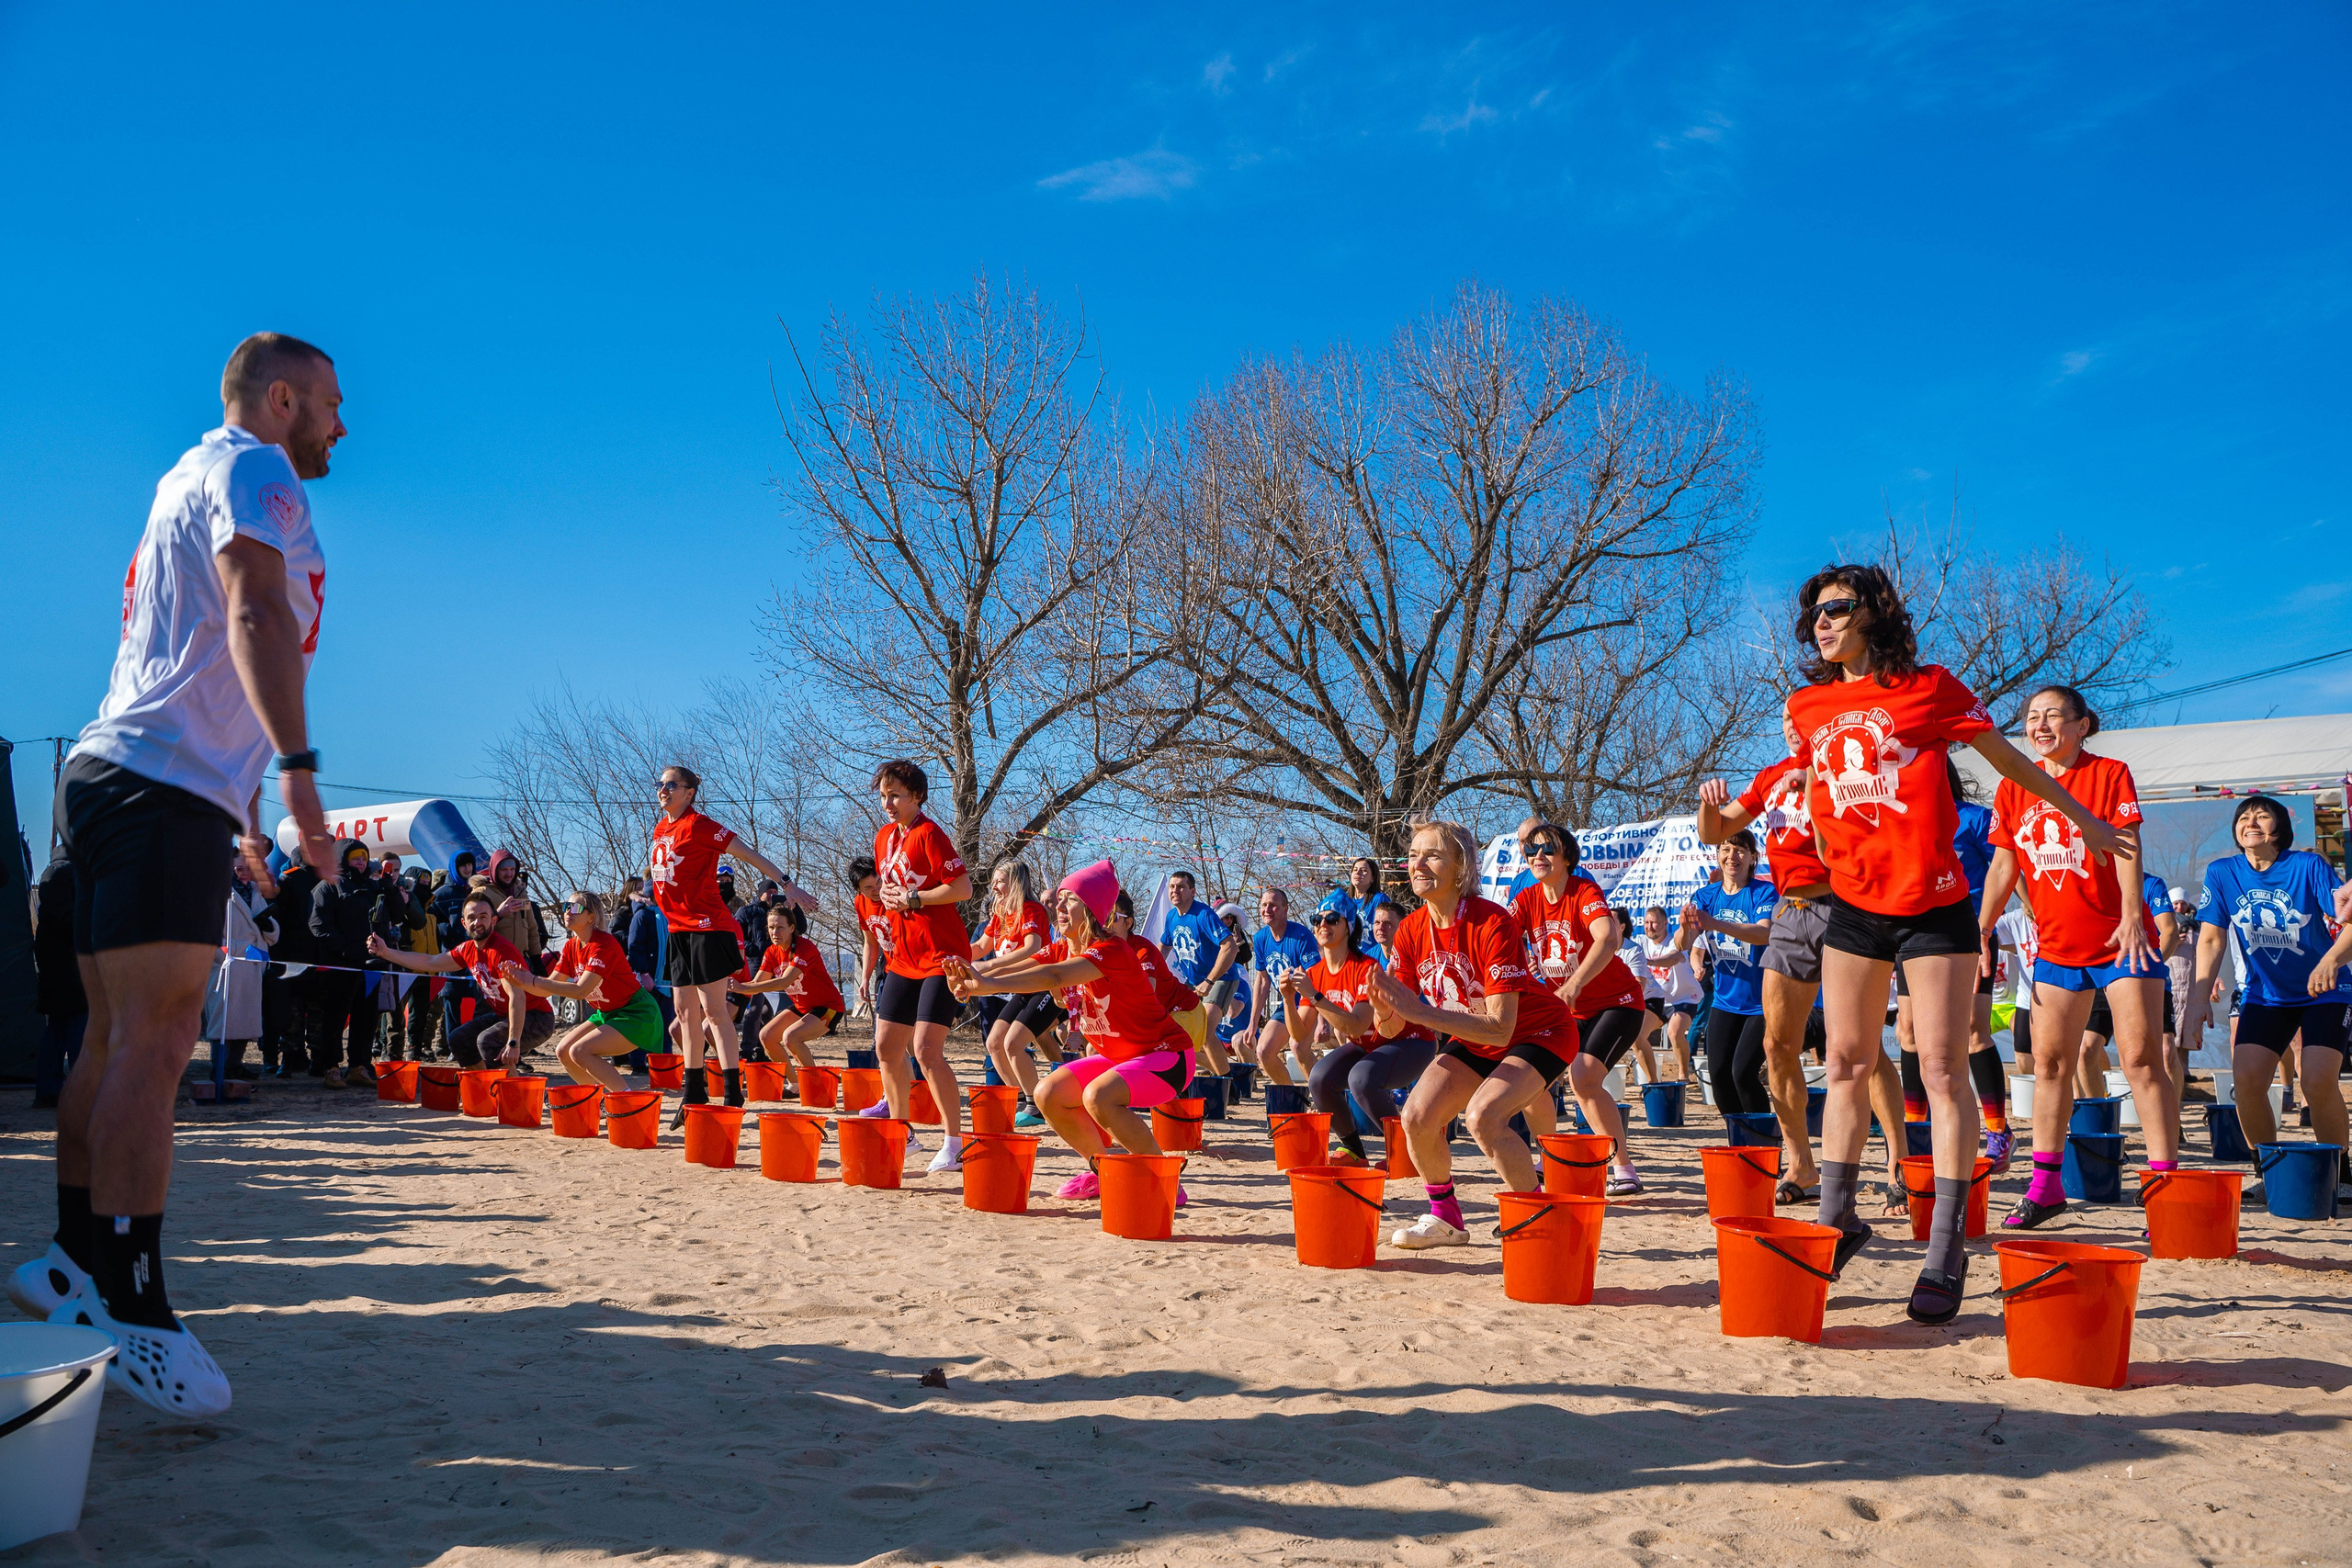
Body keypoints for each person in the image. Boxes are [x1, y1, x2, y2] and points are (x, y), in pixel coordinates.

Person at [19, 333, 341, 1417]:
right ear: (283, 399)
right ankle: (133, 1299)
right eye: (333, 403)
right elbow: (255, 611)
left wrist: (243, 806)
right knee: (158, 1045)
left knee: (112, 1040)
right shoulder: (257, 467)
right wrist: (296, 775)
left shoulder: (183, 474)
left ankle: (70, 1259)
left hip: (116, 771)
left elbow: (191, 650)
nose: (343, 425)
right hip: (161, 787)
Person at [1788, 566, 2123, 1325]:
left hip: (1934, 908)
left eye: (1837, 608)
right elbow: (1809, 790)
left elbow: (2008, 761)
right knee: (1843, 1061)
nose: (1822, 621)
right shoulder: (1807, 705)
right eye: (1814, 612)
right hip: (1852, 908)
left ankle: (1945, 1246)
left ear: (1875, 614)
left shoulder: (1930, 686)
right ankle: (1836, 1220)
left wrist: (2084, 819)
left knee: (1940, 1068)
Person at [1978, 684, 2178, 1230]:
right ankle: (2045, 1188)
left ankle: (2165, 1185)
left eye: (2054, 716)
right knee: (2049, 1065)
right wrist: (1983, 927)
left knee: (2140, 1060)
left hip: (2121, 943)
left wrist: (2133, 916)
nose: (2041, 726)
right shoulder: (2013, 787)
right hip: (2056, 949)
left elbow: (2128, 846)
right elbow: (2003, 868)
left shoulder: (2110, 773)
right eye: (2032, 717)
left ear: (2082, 725)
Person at [1368, 819, 1581, 1250]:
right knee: (1415, 1118)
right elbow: (1392, 1025)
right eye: (1413, 854)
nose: (1418, 863)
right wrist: (1383, 1011)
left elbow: (1502, 1027)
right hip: (1475, 1034)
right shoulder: (1410, 930)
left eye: (1432, 854)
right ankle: (1446, 1219)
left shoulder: (1492, 922)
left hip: (1540, 1031)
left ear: (1461, 866)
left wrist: (1418, 1011)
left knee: (1483, 1117)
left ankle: (1536, 1218)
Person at [942, 862, 1193, 1201]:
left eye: (1069, 899)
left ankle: (1164, 1180)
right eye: (1059, 899)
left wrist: (984, 984)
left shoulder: (1113, 950)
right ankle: (1103, 1170)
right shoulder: (1061, 948)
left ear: (1091, 909)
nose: (1058, 907)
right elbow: (1013, 964)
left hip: (1168, 1057)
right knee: (1047, 1094)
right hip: (1120, 1059)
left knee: (1098, 1097)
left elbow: (1054, 978)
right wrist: (971, 977)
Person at [2181, 795, 2352, 1200]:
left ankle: (2341, 1174)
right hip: (2266, 996)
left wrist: (2330, 961)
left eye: (2262, 816)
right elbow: (2210, 938)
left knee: (2316, 1079)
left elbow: (2350, 922)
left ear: (2280, 830)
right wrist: (2198, 997)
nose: (2250, 821)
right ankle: (2268, 1170)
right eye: (2243, 817)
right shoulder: (2222, 872)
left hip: (2325, 991)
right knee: (2248, 1080)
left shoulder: (2308, 866)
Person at [648, 764, 792, 1126]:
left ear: (689, 792)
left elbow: (748, 854)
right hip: (678, 930)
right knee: (683, 1014)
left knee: (714, 1011)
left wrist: (786, 884)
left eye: (671, 784)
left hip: (708, 927)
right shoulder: (661, 828)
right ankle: (693, 1088)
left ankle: (732, 1090)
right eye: (660, 784)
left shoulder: (700, 825)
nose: (663, 789)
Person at [1892, 759, 2016, 1172]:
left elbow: (2008, 871)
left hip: (1970, 937)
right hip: (1913, 938)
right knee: (1907, 1030)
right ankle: (1917, 1131)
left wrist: (2009, 924)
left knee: (1973, 1030)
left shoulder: (1978, 820)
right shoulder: (1903, 820)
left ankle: (1998, 1130)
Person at [1513, 822, 1649, 1194]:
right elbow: (1498, 936)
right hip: (1567, 1010)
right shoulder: (1526, 899)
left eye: (1547, 849)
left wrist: (1574, 984)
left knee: (1584, 1078)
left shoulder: (1583, 891)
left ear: (1567, 857)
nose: (1538, 856)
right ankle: (1548, 1158)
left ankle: (1624, 1171)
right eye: (1531, 850)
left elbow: (1608, 938)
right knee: (1531, 1078)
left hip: (1617, 1003)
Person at [860, 760, 976, 1174]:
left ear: (918, 797)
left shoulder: (930, 833)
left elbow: (962, 888)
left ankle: (953, 1142)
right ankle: (902, 1131)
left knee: (926, 1049)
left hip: (941, 957)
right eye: (884, 795)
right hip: (902, 959)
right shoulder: (883, 838)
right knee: (887, 1047)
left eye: (896, 795)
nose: (888, 803)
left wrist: (915, 899)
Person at [1282, 905, 1433, 1165]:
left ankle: (1405, 1155)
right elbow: (1299, 1034)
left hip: (1411, 1042)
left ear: (1349, 926)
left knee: (1361, 1078)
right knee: (1319, 1078)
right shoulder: (1316, 973)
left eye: (1331, 919)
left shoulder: (1366, 966)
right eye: (1317, 919)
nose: (1323, 925)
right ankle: (1354, 1151)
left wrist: (1314, 996)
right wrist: (1287, 998)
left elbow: (1355, 1026)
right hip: (1370, 1046)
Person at [500, 890, 665, 1090]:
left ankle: (626, 1101)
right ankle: (597, 1100)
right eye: (566, 907)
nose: (568, 911)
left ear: (591, 917)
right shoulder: (571, 945)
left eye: (575, 908)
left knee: (580, 1050)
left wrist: (532, 979)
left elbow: (580, 991)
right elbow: (547, 989)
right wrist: (521, 982)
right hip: (607, 1014)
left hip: (636, 1012)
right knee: (563, 1050)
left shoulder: (604, 944)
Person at [367, 892, 554, 1066]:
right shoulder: (467, 949)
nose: (477, 922)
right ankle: (480, 1090)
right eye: (472, 918)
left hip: (537, 1018)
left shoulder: (501, 952)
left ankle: (511, 1095)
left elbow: (517, 998)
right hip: (504, 1015)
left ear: (493, 921)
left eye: (483, 917)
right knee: (459, 1039)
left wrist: (513, 1043)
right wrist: (386, 952)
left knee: (488, 1041)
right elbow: (430, 962)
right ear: (464, 923)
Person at [1681, 833, 1778, 1122]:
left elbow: (1763, 934)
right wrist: (1686, 927)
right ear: (1717, 856)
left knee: (1743, 1072)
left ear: (1752, 858)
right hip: (1725, 1001)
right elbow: (1684, 944)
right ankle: (1738, 1135)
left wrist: (1713, 923)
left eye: (1740, 850)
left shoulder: (1764, 892)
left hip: (1763, 1002)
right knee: (1719, 1073)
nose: (1732, 856)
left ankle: (1764, 1141)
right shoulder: (1705, 896)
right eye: (1726, 849)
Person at [962, 860, 1056, 1111]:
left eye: (1000, 881)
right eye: (993, 881)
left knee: (1013, 1044)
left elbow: (1032, 948)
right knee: (994, 1044)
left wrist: (991, 967)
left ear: (1015, 882)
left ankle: (1037, 1106)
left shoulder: (1032, 909)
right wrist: (954, 954)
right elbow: (982, 946)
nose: (994, 886)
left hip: (1043, 985)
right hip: (1022, 989)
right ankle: (1025, 1100)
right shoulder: (1001, 910)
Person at [1160, 870, 1237, 1075]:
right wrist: (1150, 970)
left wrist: (1210, 980)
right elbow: (1164, 947)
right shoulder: (1171, 917)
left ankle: (1227, 1084)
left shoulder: (1203, 915)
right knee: (1181, 1033)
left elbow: (1230, 947)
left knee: (1206, 1031)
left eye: (1181, 887)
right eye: (1172, 887)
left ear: (1192, 891)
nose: (1175, 890)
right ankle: (1228, 1076)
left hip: (1220, 979)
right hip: (1192, 982)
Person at [1245, 886, 1319, 1086]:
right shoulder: (1261, 938)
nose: (1267, 910)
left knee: (1298, 1046)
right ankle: (1294, 1098)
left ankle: (1325, 1098)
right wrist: (1252, 1024)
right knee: (1263, 1051)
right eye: (1264, 905)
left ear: (1286, 909)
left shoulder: (1301, 936)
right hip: (1286, 1005)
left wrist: (1322, 1018)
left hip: (1308, 1002)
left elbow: (1318, 978)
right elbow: (1262, 981)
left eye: (1274, 906)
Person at [31, 857, 88, 1110]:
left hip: (62, 964)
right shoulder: (63, 873)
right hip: (67, 965)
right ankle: (76, 1090)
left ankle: (51, 1090)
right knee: (75, 1024)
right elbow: (68, 918)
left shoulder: (60, 872)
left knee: (59, 1028)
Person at [1633, 907, 1699, 1084]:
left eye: (1653, 923)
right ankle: (1652, 1082)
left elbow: (1672, 959)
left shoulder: (1674, 942)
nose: (1649, 927)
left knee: (1675, 1031)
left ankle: (1683, 1074)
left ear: (1664, 923)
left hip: (1683, 998)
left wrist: (1648, 961)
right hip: (1658, 1000)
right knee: (1637, 1036)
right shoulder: (1639, 942)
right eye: (1646, 923)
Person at [1367, 900, 1403, 971]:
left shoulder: (1411, 955)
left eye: (1387, 923)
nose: (1380, 928)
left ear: (1401, 926)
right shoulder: (1370, 958)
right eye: (1377, 922)